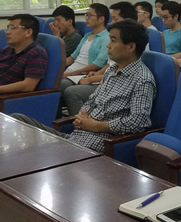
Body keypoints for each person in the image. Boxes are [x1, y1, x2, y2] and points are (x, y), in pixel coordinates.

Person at [13, 19, 157, 154]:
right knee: (18, 119)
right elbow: (92, 100)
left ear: (131, 47)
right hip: (73, 138)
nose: (108, 45)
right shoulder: (112, 70)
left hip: (91, 147)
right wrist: (82, 115)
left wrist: (96, 126)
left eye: (113, 40)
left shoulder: (142, 79)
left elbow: (139, 122)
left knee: (33, 153)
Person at [63, 2, 135, 116]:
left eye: (115, 19)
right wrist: (97, 73)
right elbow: (110, 65)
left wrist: (91, 78)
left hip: (115, 85)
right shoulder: (114, 40)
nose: (112, 23)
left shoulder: (130, 44)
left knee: (70, 91)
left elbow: (121, 75)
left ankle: (82, 123)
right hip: (104, 79)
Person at [60, 3, 110, 100]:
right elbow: (73, 57)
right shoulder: (87, 35)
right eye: (86, 15)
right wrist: (56, 69)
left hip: (82, 75)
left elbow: (98, 64)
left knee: (58, 85)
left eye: (90, 15)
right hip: (71, 72)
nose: (86, 18)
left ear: (101, 19)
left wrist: (71, 74)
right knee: (49, 79)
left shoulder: (106, 38)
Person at [0, 14, 48, 93]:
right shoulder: (6, 50)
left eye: (13, 28)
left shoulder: (36, 53)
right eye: (8, 28)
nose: (7, 32)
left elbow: (28, 86)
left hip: (8, 97)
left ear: (28, 32)